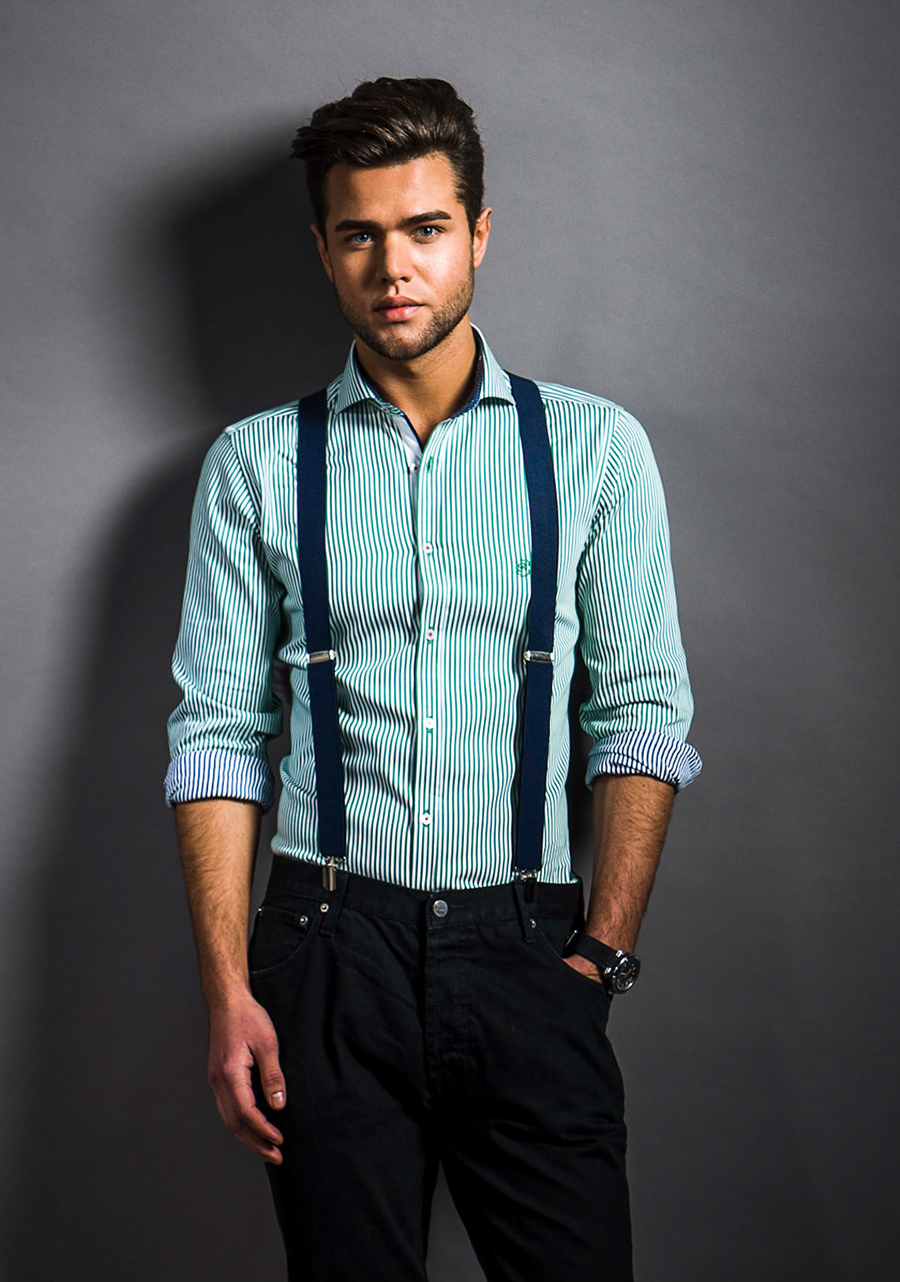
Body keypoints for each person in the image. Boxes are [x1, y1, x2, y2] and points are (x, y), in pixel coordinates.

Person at [163, 76, 701, 1282]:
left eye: (424, 229)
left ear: (479, 233)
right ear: (323, 250)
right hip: (325, 952)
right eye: (359, 235)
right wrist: (229, 992)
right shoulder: (256, 465)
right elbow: (218, 739)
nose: (393, 267)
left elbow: (640, 719)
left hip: (529, 947)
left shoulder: (594, 449)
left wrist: (599, 956)